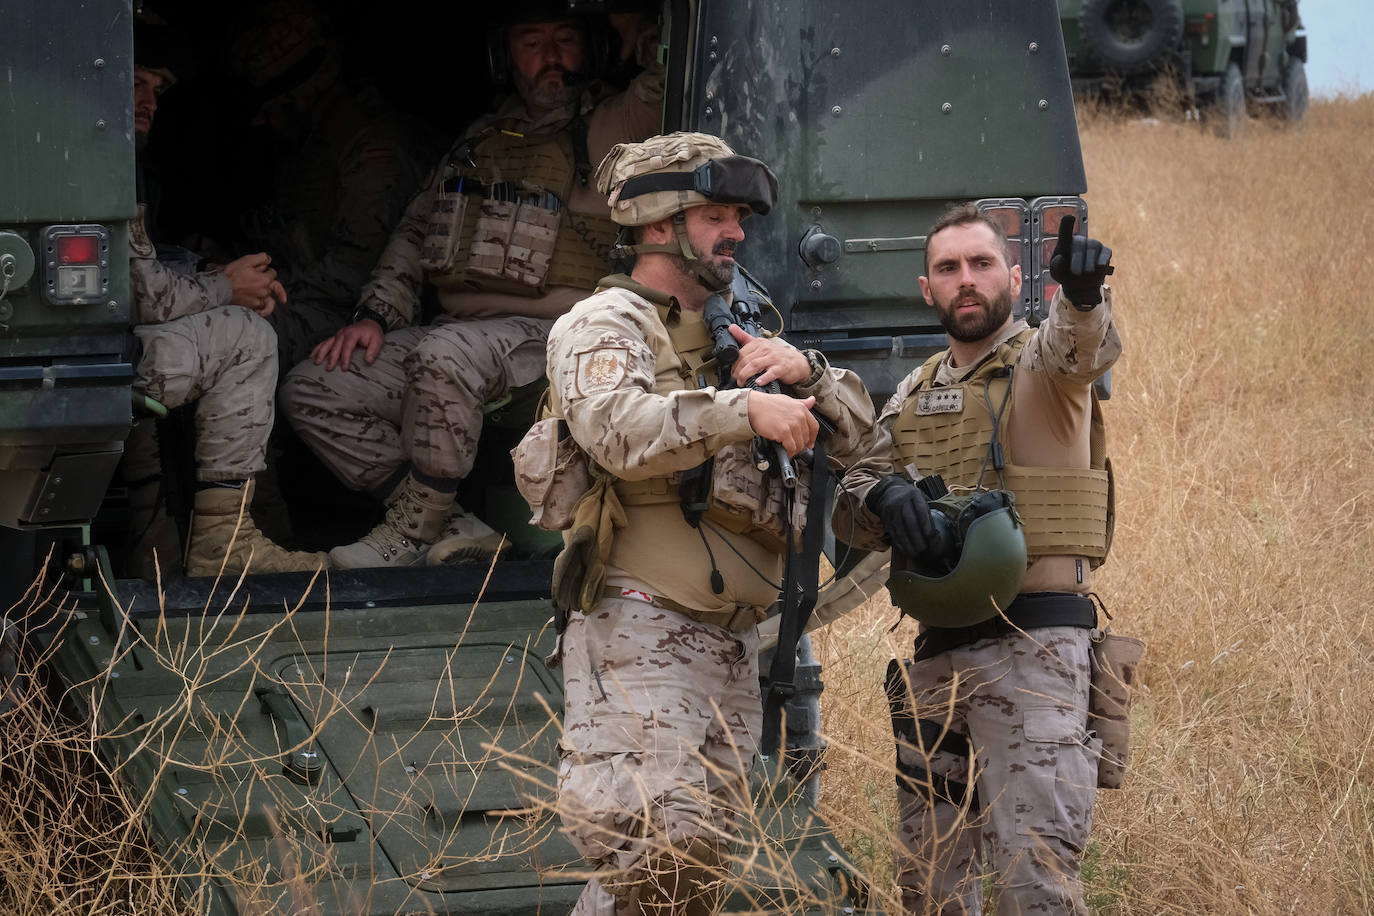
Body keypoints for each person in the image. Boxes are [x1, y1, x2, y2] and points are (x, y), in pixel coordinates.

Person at [537, 131, 877, 914]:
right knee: (660, 861)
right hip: (644, 632)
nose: (736, 232)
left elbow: (864, 441)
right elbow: (615, 427)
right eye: (715, 214)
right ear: (659, 224)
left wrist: (809, 374)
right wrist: (743, 408)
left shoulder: (739, 330)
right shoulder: (605, 322)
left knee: (679, 886)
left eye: (739, 216)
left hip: (730, 647)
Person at [280, 4, 663, 569]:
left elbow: (672, 82)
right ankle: (453, 524)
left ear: (594, 48)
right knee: (315, 387)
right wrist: (375, 317)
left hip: (559, 335)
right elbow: (415, 231)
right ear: (505, 57)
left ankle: (409, 535)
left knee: (443, 353)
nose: (550, 57)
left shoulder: (613, 124)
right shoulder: (482, 138)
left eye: (565, 40)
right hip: (461, 333)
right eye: (531, 42)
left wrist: (640, 31)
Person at [831, 202, 1121, 913]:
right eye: (948, 268)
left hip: (1035, 648)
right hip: (936, 656)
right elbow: (852, 494)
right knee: (930, 885)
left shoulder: (1046, 363)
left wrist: (1083, 297)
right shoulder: (914, 389)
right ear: (925, 288)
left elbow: (1084, 346)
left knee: (1035, 881)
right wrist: (884, 499)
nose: (966, 280)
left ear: (1016, 278)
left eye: (982, 264)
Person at [126, 23, 329, 578]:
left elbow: (131, 270)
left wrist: (202, 269)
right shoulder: (103, 159)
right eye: (133, 84)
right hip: (106, 363)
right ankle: (224, 543)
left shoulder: (92, 153)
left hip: (90, 360)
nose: (147, 102)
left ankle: (154, 544)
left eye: (155, 90)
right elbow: (142, 297)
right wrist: (227, 287)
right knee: (246, 334)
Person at [222, 0, 427, 372]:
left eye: (272, 108)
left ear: (301, 95)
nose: (264, 122)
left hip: (349, 313)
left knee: (230, 343)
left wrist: (269, 288)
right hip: (304, 296)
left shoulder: (371, 148)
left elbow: (355, 269)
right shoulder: (302, 149)